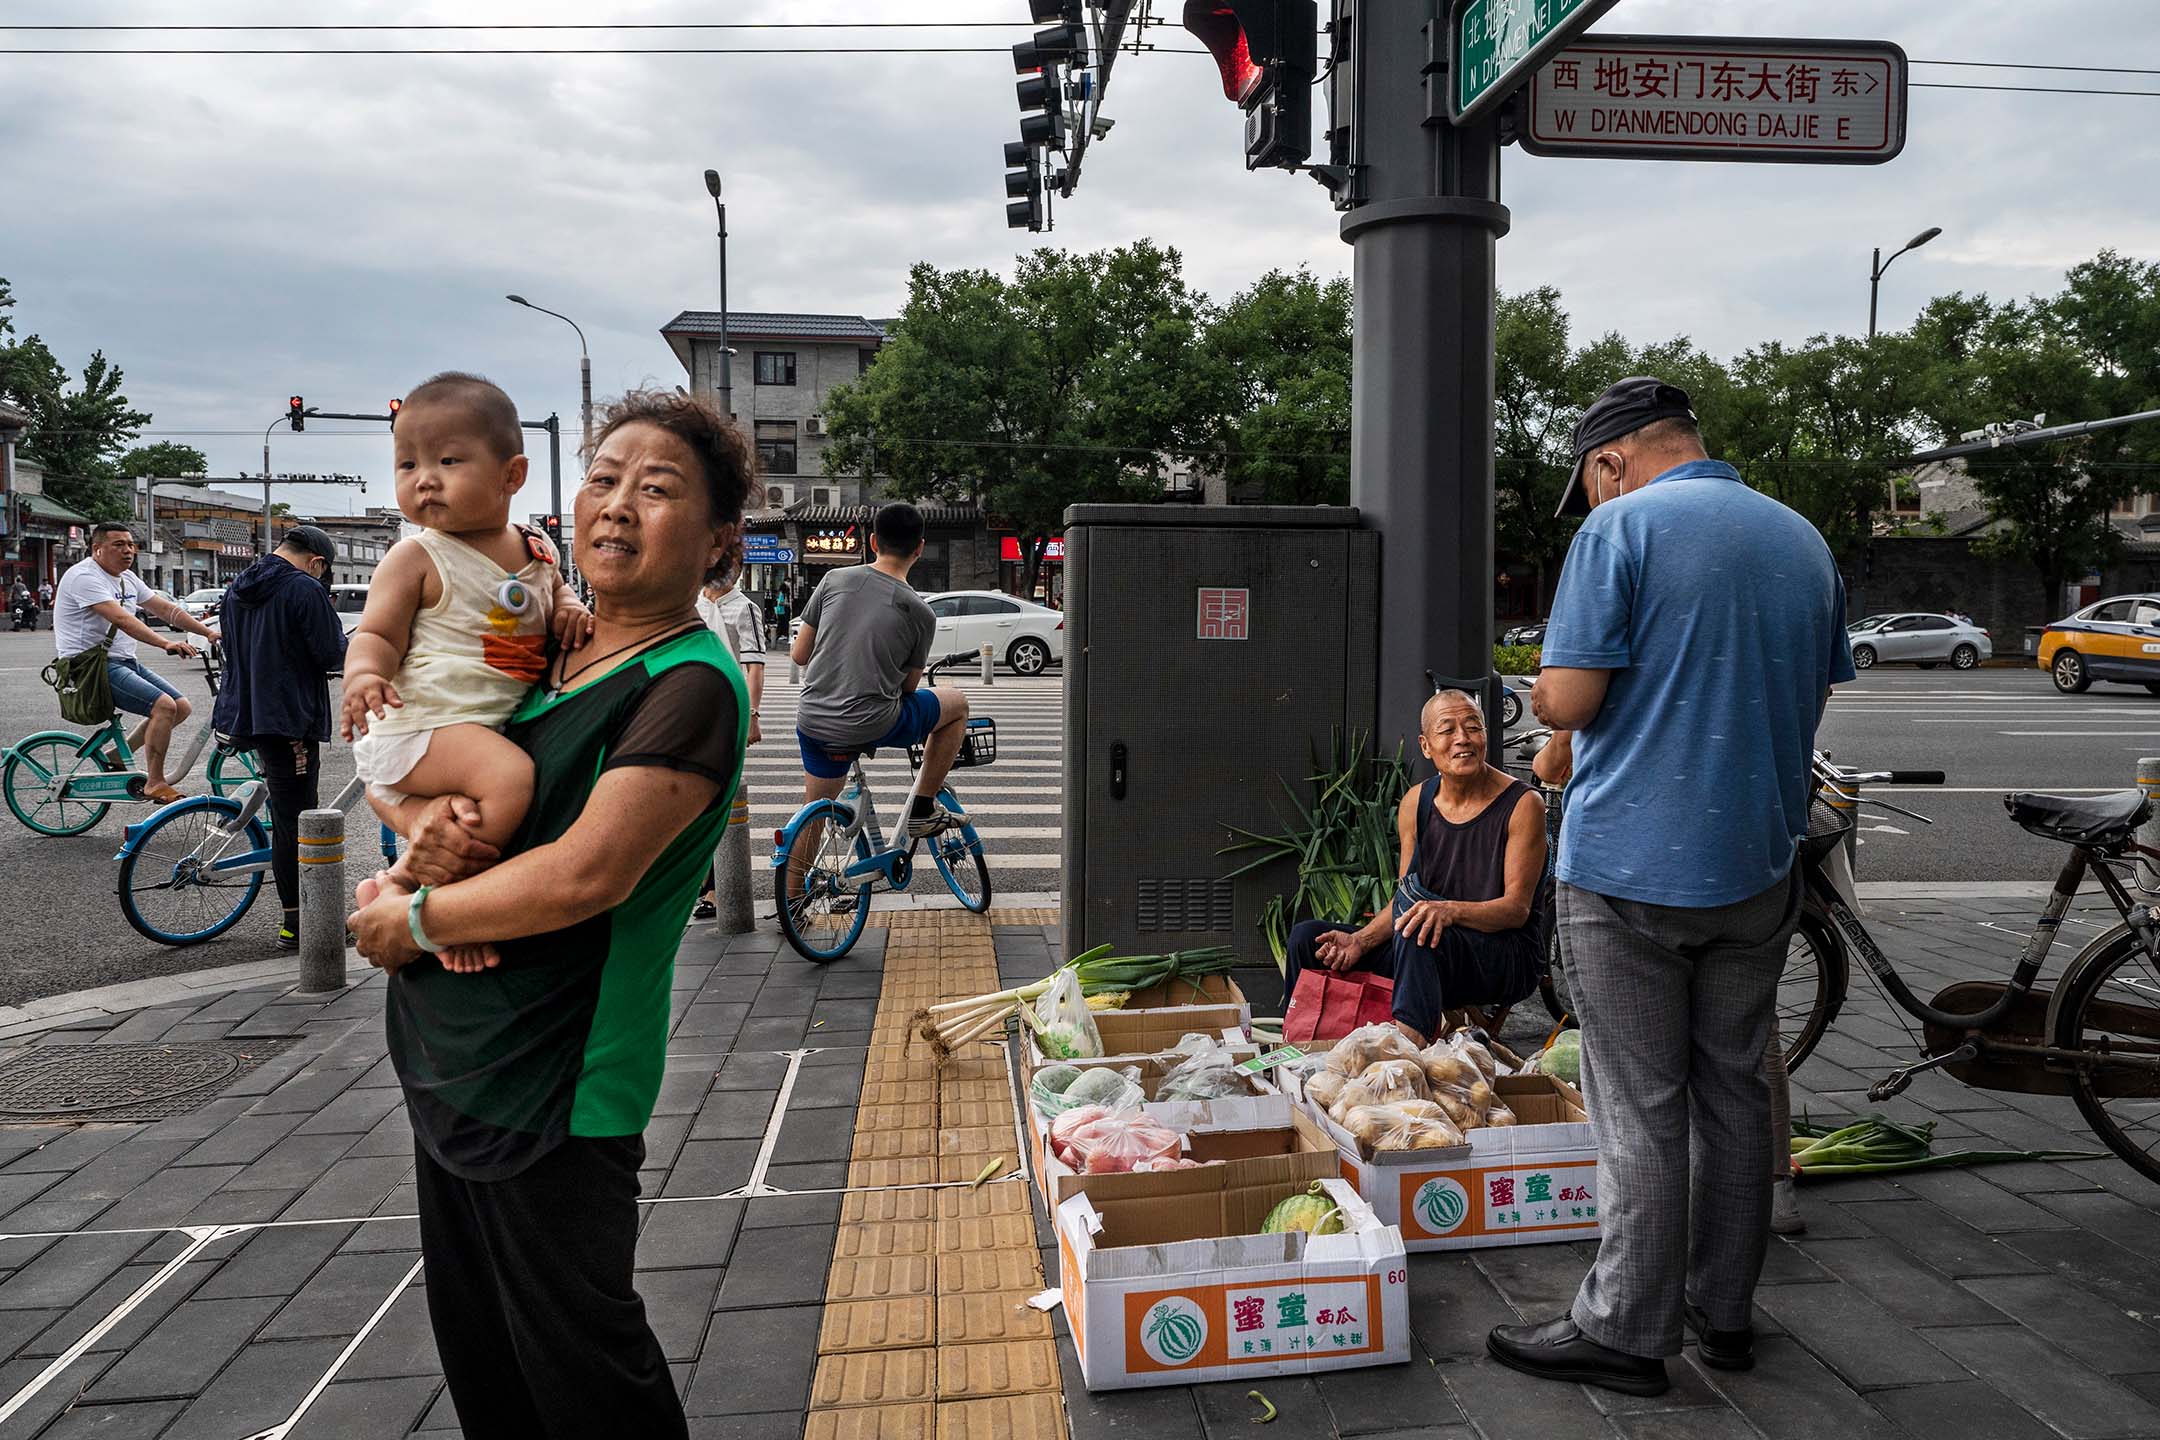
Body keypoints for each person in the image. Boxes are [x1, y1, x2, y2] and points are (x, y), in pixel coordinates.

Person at [345, 388, 754, 1440]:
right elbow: (434, 785)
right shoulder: (540, 650)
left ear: (716, 543)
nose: (617, 505)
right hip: (455, 1064)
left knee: (584, 1375)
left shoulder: (689, 683)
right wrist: (410, 861)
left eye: (657, 490)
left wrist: (414, 924)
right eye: (605, 479)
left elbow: (585, 874)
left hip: (559, 1085)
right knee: (491, 1369)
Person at [1489, 377, 1854, 1396]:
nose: (1595, 501)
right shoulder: (1801, 540)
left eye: (1592, 484)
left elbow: (1572, 698)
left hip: (1632, 872)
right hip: (1759, 863)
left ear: (1611, 461)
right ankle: (1723, 1313)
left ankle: (1625, 1329)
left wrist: (1543, 687)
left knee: (1642, 1105)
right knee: (1736, 1092)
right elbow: (1812, 685)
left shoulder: (1621, 532)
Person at [342, 372, 592, 899]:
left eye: (447, 461)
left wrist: (567, 606)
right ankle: (447, 893)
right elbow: (378, 635)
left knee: (471, 811)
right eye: (408, 464)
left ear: (512, 475)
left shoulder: (536, 545)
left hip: (476, 727)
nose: (424, 479)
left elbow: (556, 589)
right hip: (426, 724)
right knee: (509, 781)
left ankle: (394, 883)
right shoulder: (415, 557)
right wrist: (364, 675)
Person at [1283, 690, 1547, 1046]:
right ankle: (1301, 1047)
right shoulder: (1416, 802)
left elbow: (1516, 910)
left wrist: (1448, 911)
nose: (1463, 739)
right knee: (1307, 937)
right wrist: (1359, 941)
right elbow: (1407, 897)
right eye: (1448, 730)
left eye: (1473, 727)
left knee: (1420, 930)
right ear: (1426, 746)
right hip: (1428, 946)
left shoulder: (1522, 804)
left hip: (1503, 956)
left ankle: (1405, 1056)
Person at [788, 502, 971, 872]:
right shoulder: (921, 612)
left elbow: (799, 654)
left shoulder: (833, 580)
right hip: (872, 721)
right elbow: (909, 686)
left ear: (873, 541)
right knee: (957, 704)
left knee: (814, 813)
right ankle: (923, 806)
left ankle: (794, 907)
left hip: (813, 719)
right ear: (919, 548)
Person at [210, 525, 349, 950]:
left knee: (287, 814)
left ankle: (298, 915)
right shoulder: (304, 588)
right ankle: (299, 922)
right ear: (317, 562)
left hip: (248, 712)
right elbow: (332, 654)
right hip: (289, 718)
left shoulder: (238, 587)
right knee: (297, 822)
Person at [52, 522, 221, 802]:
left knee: (181, 707)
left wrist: (208, 633)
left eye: (131, 544)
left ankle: (118, 755)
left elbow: (165, 608)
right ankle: (154, 783)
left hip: (121, 661)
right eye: (119, 545)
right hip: (88, 667)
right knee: (164, 707)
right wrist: (165, 642)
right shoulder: (83, 576)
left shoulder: (126, 578)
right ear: (97, 549)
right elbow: (122, 620)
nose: (128, 550)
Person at [690, 555, 766, 920]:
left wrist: (752, 714)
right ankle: (703, 884)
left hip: (728, 711)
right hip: (691, 709)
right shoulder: (693, 603)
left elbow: (754, 666)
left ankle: (715, 889)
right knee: (695, 799)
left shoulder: (745, 609)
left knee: (718, 797)